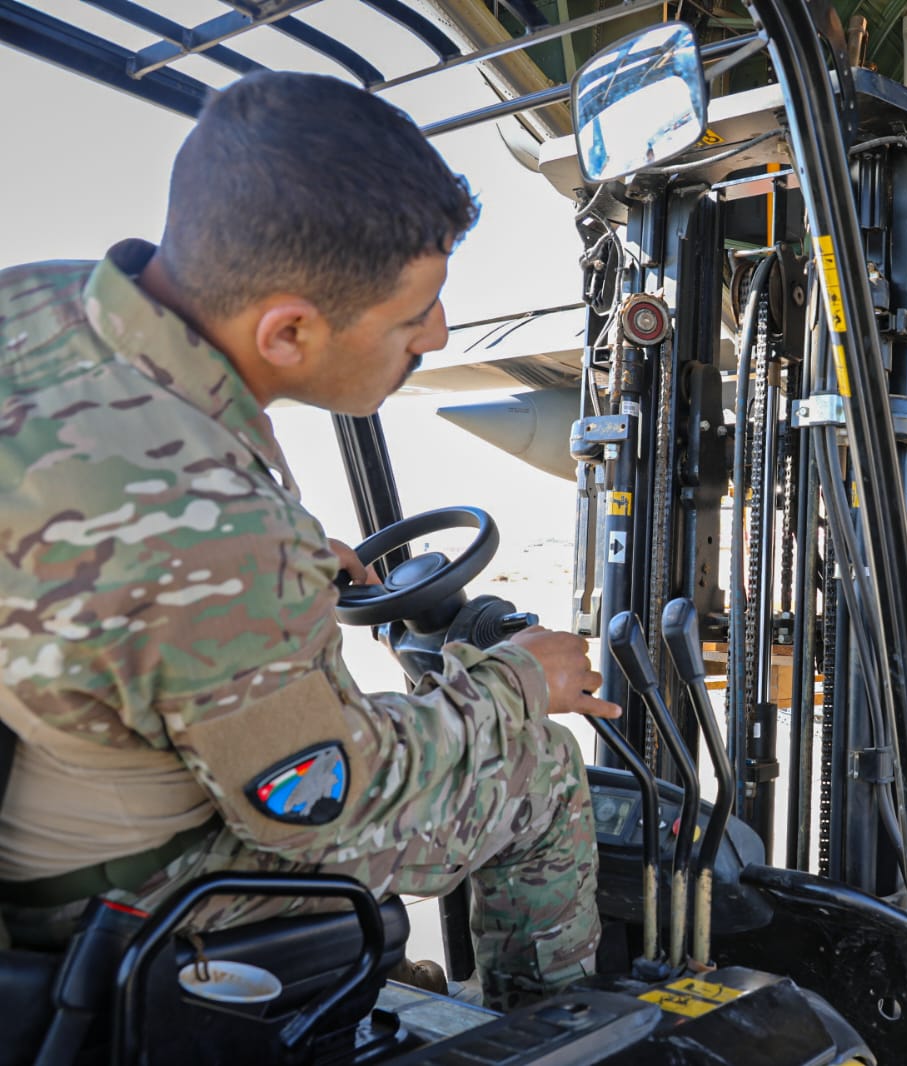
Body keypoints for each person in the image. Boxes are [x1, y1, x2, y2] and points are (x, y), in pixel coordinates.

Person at [0, 71, 620, 1009]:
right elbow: (331, 813)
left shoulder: (38, 306)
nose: (440, 334)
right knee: (540, 771)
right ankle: (553, 1030)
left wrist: (274, 554)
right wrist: (519, 680)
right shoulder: (210, 535)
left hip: (48, 782)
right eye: (413, 315)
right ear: (287, 330)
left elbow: (104, 520)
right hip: (113, 905)